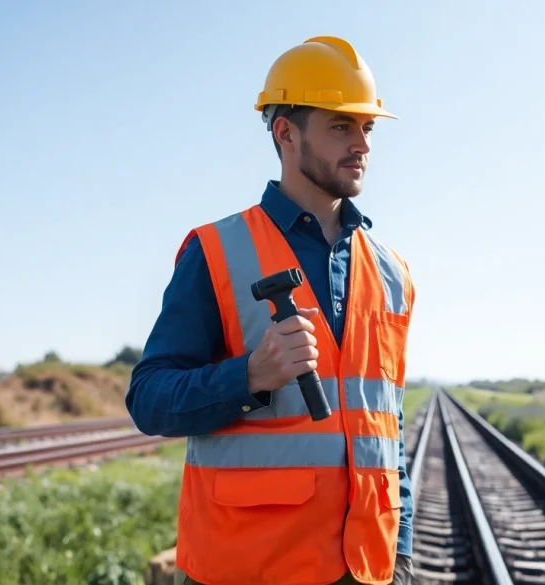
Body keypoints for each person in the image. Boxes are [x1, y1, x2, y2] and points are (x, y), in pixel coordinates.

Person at [126, 35, 416, 585]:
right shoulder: (216, 251)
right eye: (340, 125)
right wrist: (250, 376)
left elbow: (387, 424)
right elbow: (149, 400)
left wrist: (398, 553)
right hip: (248, 565)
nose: (362, 144)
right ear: (285, 132)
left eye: (367, 128)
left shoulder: (392, 272)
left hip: (366, 567)